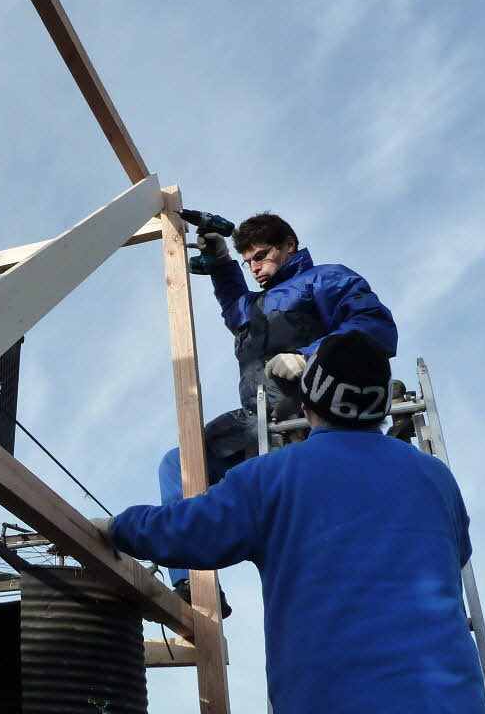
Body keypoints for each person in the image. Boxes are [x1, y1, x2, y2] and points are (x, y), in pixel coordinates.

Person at [98, 331, 485, 714]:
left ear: (308, 402)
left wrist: (118, 526)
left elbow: (185, 532)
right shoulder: (436, 478)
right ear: (379, 407)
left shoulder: (272, 477)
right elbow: (455, 555)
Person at [158, 212, 398, 613]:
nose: (255, 268)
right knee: (179, 465)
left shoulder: (325, 279)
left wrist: (308, 356)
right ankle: (192, 584)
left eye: (263, 256)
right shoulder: (253, 304)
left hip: (313, 421)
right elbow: (234, 304)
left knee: (302, 538)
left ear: (290, 244)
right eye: (248, 261)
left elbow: (375, 326)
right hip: (256, 421)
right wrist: (220, 261)